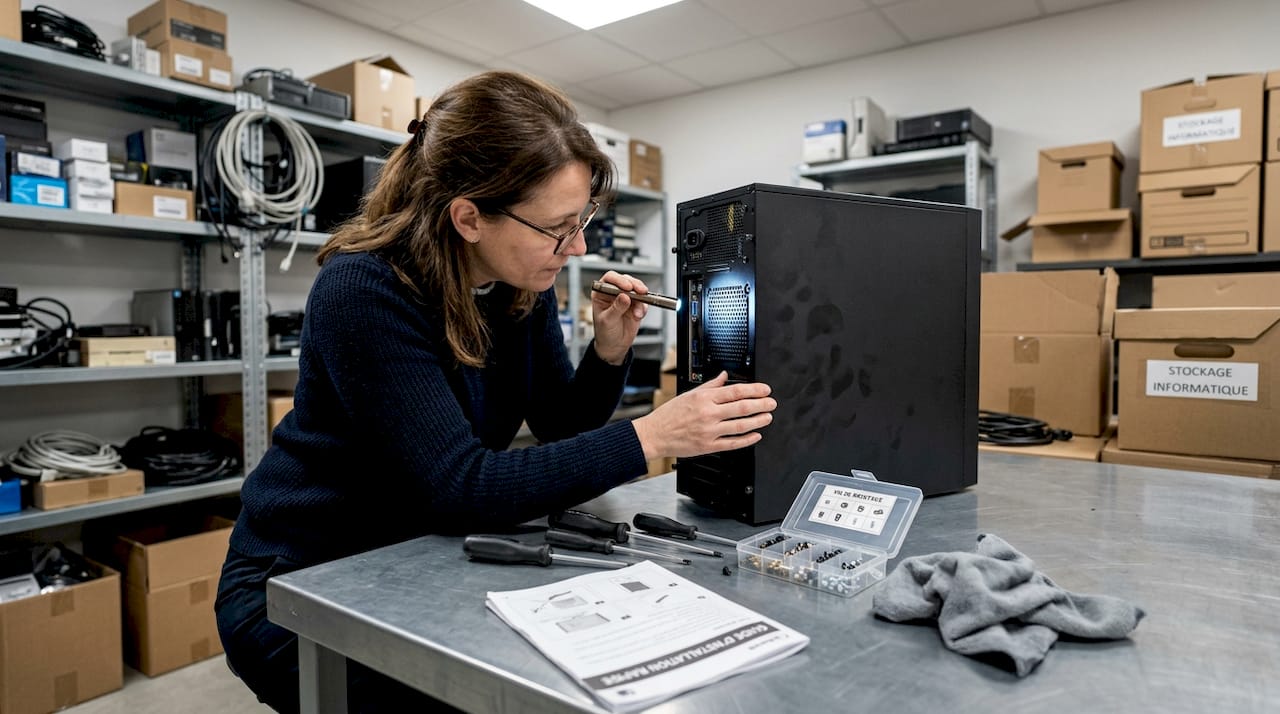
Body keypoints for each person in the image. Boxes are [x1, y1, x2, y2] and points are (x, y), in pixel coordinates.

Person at [215, 70, 777, 713]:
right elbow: (461, 485)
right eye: (558, 226)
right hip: (304, 579)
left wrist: (608, 351)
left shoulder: (518, 287)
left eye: (583, 219)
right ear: (469, 217)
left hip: (421, 551)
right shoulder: (365, 290)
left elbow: (564, 429)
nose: (578, 245)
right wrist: (652, 436)